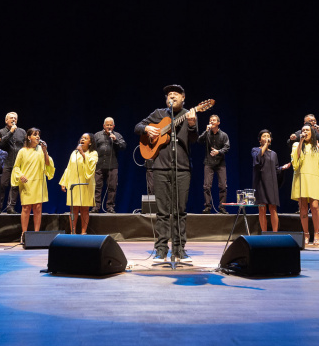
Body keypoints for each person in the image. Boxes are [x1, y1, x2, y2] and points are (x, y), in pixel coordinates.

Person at [134, 84, 198, 262]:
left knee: (180, 211)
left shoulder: (189, 114)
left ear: (183, 97)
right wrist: (147, 129)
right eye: (169, 94)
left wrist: (192, 125)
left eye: (176, 93)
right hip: (160, 168)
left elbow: (194, 140)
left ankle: (179, 249)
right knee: (162, 212)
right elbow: (137, 127)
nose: (172, 96)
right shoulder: (158, 114)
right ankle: (161, 249)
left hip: (182, 168)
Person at [291, 124, 319, 245]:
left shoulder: (316, 146)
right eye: (303, 130)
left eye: (307, 130)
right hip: (301, 177)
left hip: (314, 178)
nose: (305, 132)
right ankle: (306, 233)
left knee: (314, 206)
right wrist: (300, 142)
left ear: (312, 133)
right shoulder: (296, 145)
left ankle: (317, 233)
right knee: (303, 207)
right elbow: (295, 161)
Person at [11, 128, 55, 235]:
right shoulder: (22, 151)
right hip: (26, 183)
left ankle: (36, 234)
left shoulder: (41, 150)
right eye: (35, 134)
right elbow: (16, 167)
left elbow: (48, 164)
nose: (38, 136)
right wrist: (20, 175)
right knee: (26, 208)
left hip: (39, 182)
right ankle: (24, 233)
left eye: (38, 134)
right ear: (29, 137)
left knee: (38, 208)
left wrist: (45, 151)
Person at [252, 129, 291, 233]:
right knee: (262, 208)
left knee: (273, 208)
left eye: (268, 136)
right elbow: (257, 160)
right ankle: (264, 233)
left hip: (271, 183)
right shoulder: (255, 150)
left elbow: (276, 169)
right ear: (260, 140)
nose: (266, 138)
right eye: (264, 136)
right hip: (260, 182)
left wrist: (282, 168)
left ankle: (275, 233)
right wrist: (265, 145)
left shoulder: (273, 154)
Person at [59, 133, 98, 234]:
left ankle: (83, 232)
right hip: (74, 183)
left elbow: (91, 167)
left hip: (86, 183)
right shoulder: (74, 153)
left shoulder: (93, 153)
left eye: (86, 138)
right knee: (74, 208)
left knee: (85, 208)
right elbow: (69, 168)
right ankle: (73, 232)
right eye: (82, 138)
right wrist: (64, 182)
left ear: (90, 142)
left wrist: (83, 154)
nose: (83, 139)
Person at [91, 117, 126, 213]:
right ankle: (95, 207)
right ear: (104, 126)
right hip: (99, 165)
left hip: (112, 166)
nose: (109, 127)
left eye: (111, 125)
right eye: (107, 125)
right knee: (97, 187)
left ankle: (110, 207)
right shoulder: (97, 135)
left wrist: (115, 140)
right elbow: (92, 148)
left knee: (112, 187)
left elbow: (123, 146)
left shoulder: (117, 135)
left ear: (113, 126)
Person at [200, 115, 231, 214]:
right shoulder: (207, 134)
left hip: (220, 163)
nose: (212, 122)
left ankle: (222, 207)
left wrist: (218, 151)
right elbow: (199, 140)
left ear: (218, 123)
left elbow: (227, 148)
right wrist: (206, 131)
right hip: (209, 162)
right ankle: (207, 207)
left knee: (223, 186)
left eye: (214, 120)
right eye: (210, 120)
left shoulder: (223, 135)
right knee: (206, 186)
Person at [0, 112, 27, 214]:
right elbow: (1, 144)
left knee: (15, 186)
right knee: (2, 185)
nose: (13, 119)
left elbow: (25, 146)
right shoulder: (1, 132)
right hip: (6, 163)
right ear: (6, 120)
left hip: (18, 164)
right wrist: (11, 132)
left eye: (15, 118)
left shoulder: (22, 132)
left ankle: (11, 207)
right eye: (11, 118)